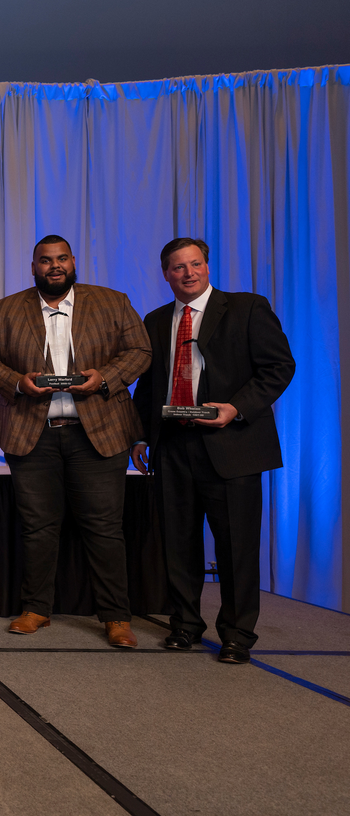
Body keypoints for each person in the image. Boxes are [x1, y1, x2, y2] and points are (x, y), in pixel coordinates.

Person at [0, 235, 151, 648]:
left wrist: (104, 378)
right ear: (33, 267)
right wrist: (17, 382)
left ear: (73, 262)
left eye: (61, 259)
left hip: (99, 431)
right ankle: (36, 609)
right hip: (32, 432)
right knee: (37, 527)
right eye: (45, 260)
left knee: (105, 528)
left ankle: (116, 617)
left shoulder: (112, 301)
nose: (54, 266)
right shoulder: (5, 309)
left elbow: (140, 349)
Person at [131, 237, 294, 664]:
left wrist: (236, 408)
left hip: (233, 444)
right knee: (177, 544)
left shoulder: (247, 308)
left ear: (206, 266)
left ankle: (237, 635)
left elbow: (280, 367)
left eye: (196, 264)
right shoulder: (155, 320)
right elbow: (148, 387)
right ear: (166, 274)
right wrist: (141, 436)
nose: (189, 273)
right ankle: (184, 625)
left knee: (236, 547)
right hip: (172, 445)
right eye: (179, 267)